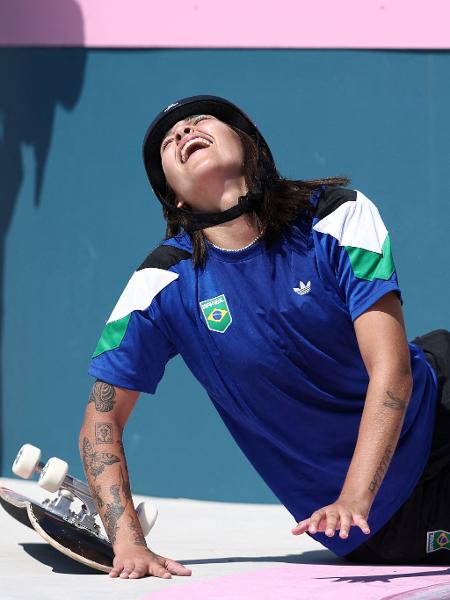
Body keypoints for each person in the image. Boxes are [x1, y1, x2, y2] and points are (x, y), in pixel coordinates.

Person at [80, 95, 450, 579]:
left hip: (436, 409)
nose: (183, 132)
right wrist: (128, 543)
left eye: (198, 121)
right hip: (388, 522)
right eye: (170, 142)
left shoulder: (338, 215)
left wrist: (356, 492)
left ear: (248, 145)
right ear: (173, 196)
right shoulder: (160, 284)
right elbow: (100, 420)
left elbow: (392, 370)